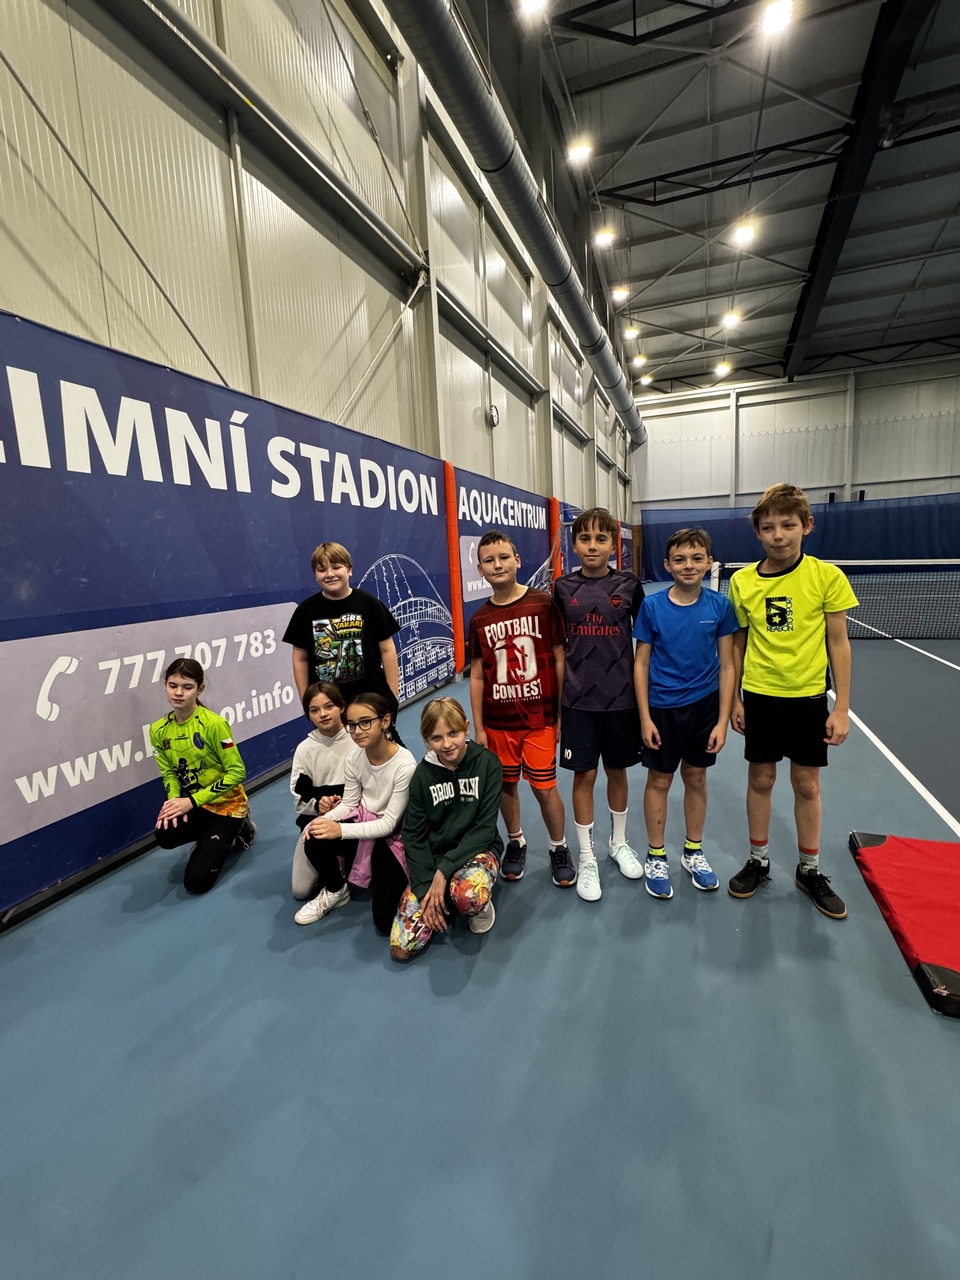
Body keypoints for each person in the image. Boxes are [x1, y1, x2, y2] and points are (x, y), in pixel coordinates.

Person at [727, 483, 858, 920]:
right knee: (761, 779)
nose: (778, 535)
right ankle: (758, 860)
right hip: (760, 697)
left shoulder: (826, 577)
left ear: (807, 526)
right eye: (768, 527)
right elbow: (737, 644)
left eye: (787, 525)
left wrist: (841, 708)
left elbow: (838, 644)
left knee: (807, 785)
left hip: (808, 699)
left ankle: (809, 869)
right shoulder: (742, 582)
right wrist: (736, 700)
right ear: (758, 532)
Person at [633, 529, 739, 899]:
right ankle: (656, 855)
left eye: (696, 558)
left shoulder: (720, 607)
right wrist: (645, 718)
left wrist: (722, 721)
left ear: (709, 562)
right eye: (679, 559)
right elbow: (640, 664)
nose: (688, 566)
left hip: (705, 708)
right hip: (662, 708)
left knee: (696, 778)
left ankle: (693, 852)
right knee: (659, 781)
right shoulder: (652, 607)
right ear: (667, 564)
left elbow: (728, 665)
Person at [468, 529, 573, 887]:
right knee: (505, 785)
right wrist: (479, 727)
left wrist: (560, 713)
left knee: (544, 788)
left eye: (503, 558)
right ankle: (516, 841)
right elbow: (477, 675)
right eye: (488, 560)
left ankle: (558, 846)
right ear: (480, 570)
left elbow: (558, 659)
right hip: (498, 722)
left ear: (517, 560)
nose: (497, 565)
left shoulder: (542, 604)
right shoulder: (479, 619)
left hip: (539, 717)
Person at [553, 507, 645, 902]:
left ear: (613, 545)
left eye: (601, 539)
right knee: (584, 776)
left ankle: (618, 842)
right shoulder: (561, 588)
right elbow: (556, 649)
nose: (593, 546)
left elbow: (645, 642)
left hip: (621, 699)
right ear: (574, 545)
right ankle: (587, 856)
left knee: (618, 772)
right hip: (578, 701)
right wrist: (557, 706)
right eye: (585, 539)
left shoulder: (629, 585)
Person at [390, 698, 503, 961]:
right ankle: (444, 898)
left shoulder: (488, 764)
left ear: (466, 727)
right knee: (402, 947)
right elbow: (413, 835)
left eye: (454, 733)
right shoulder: (422, 775)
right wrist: (425, 889)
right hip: (435, 858)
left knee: (469, 897)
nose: (447, 744)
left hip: (478, 851)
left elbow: (485, 829)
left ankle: (475, 903)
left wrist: (443, 872)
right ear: (427, 739)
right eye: (437, 738)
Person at [294, 693, 415, 933]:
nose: (357, 731)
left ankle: (408, 884)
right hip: (363, 824)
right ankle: (336, 889)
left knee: (384, 922)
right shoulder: (354, 757)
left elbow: (388, 825)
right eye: (352, 725)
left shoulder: (405, 765)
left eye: (365, 722)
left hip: (391, 838)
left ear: (385, 721)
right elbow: (349, 804)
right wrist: (322, 821)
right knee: (315, 836)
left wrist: (339, 829)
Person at [151, 658, 256, 894]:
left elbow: (237, 772)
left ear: (200, 689)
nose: (179, 693)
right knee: (164, 835)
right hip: (195, 805)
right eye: (173, 685)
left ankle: (241, 826)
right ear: (165, 686)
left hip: (227, 806)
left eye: (187, 687)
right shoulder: (158, 729)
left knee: (196, 882)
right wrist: (173, 801)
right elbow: (169, 773)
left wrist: (190, 801)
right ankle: (209, 838)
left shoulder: (214, 724)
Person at [282, 541, 401, 721]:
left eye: (336, 567)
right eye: (322, 570)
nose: (330, 574)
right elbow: (300, 658)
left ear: (349, 569)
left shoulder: (369, 603)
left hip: (371, 700)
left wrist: (392, 696)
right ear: (315, 575)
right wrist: (307, 701)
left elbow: (387, 649)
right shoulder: (305, 611)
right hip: (329, 707)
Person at [289, 681, 355, 900]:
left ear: (342, 707)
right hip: (318, 822)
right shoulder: (304, 750)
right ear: (308, 715)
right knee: (301, 891)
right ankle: (333, 870)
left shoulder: (358, 739)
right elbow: (299, 797)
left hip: (357, 820)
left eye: (329, 706)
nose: (323, 714)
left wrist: (347, 804)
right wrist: (319, 805)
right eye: (314, 710)